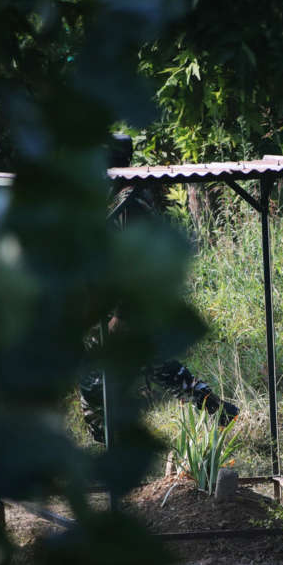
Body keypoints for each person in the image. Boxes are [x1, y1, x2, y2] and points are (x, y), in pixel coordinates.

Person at [77, 134, 239, 443]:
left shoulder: (129, 203)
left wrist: (122, 315)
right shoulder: (121, 196)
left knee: (94, 378)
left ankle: (114, 442)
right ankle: (219, 411)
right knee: (158, 366)